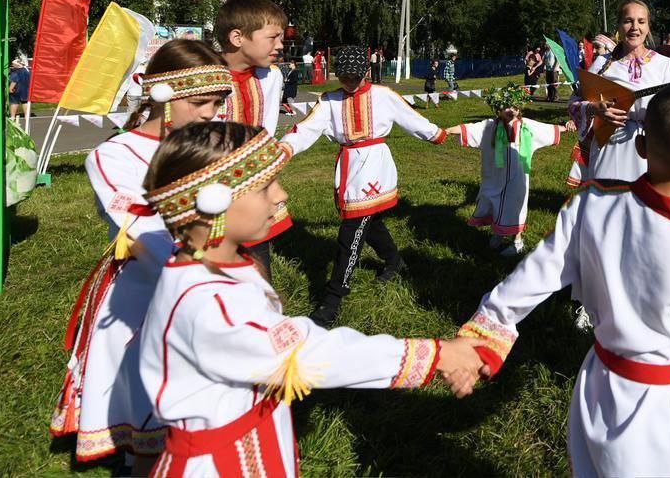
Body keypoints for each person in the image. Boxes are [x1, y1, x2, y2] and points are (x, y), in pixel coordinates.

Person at [458, 84, 670, 478]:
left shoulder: (591, 204)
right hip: (656, 410)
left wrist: (482, 338)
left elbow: (531, 277)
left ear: (642, 147)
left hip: (596, 381)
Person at [137, 122, 485, 476]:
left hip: (245, 440)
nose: (281, 195)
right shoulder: (209, 302)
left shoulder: (199, 269)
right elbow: (308, 352)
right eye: (264, 187)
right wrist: (437, 355)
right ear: (214, 202)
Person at [52, 40, 233, 466]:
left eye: (217, 102)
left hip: (207, 273)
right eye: (201, 102)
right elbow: (143, 229)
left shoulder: (208, 146)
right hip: (143, 284)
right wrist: (198, 277)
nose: (211, 112)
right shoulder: (112, 156)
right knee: (144, 382)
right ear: (162, 95)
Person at [281, 46, 450, 327]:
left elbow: (412, 120)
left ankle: (333, 298)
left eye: (355, 76)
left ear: (366, 72)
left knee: (352, 230)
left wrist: (437, 134)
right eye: (344, 76)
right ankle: (394, 261)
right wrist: (285, 147)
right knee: (367, 223)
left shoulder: (384, 96)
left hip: (376, 166)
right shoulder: (330, 101)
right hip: (350, 166)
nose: (349, 82)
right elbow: (307, 129)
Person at [214, 0, 290, 280]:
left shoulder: (272, 78)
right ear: (237, 37)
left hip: (252, 185)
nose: (280, 46)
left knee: (259, 270)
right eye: (272, 38)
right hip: (210, 191)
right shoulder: (205, 76)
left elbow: (267, 128)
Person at [567, 0, 670, 194]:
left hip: (649, 149)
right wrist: (594, 108)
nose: (635, 27)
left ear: (648, 26)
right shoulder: (602, 63)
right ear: (618, 26)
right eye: (628, 21)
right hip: (608, 147)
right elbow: (574, 102)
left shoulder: (664, 64)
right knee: (605, 202)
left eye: (641, 21)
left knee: (644, 206)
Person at [446, 83, 570, 256]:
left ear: (520, 108)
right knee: (493, 201)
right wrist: (444, 131)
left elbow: (549, 129)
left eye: (514, 106)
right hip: (495, 177)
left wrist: (568, 126)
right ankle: (498, 234)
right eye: (505, 106)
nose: (511, 110)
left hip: (518, 179)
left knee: (516, 206)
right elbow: (467, 128)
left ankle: (517, 242)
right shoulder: (490, 127)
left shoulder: (527, 127)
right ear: (498, 109)